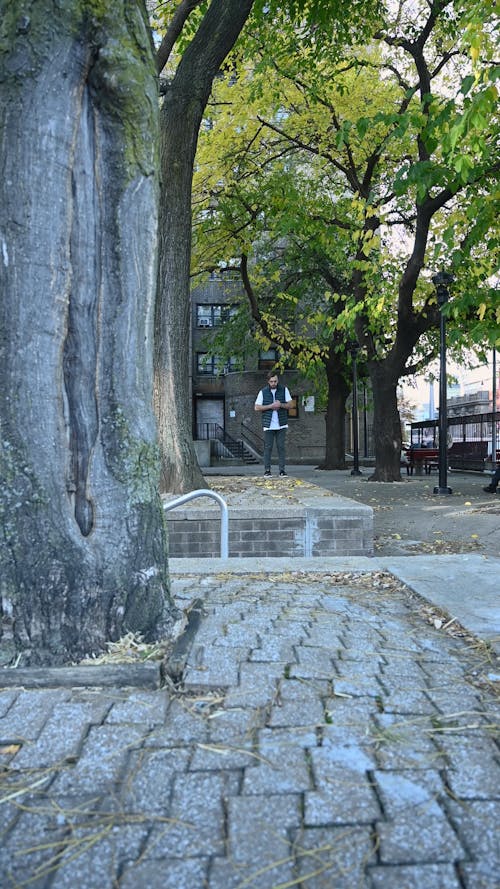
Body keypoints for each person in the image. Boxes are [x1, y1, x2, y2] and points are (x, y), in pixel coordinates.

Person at [254, 371, 293, 476]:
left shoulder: (284, 390)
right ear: (268, 381)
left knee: (281, 447)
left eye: (275, 381)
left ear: (278, 380)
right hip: (268, 425)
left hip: (282, 424)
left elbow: (290, 405)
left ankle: (282, 470)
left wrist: (281, 405)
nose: (273, 383)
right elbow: (256, 407)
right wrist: (270, 406)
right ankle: (267, 470)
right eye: (271, 381)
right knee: (268, 447)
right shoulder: (263, 392)